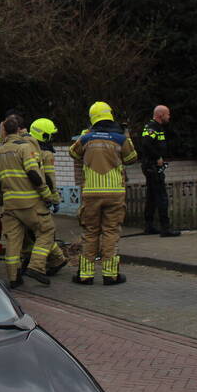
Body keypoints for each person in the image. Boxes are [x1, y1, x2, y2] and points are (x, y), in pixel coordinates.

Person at [69, 102, 139, 285]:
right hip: (115, 192)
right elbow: (132, 158)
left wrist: (86, 135)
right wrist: (126, 136)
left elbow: (73, 153)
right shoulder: (120, 138)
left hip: (91, 193)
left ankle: (85, 275)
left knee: (90, 232)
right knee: (111, 232)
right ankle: (110, 275)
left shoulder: (86, 138)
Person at [0, 116, 56, 288]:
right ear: (19, 130)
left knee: (13, 241)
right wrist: (47, 195)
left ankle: (14, 278)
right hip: (30, 203)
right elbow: (33, 173)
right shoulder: (25, 147)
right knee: (46, 231)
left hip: (9, 204)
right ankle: (36, 266)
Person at [27, 118, 69, 276]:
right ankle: (56, 259)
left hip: (30, 197)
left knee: (37, 232)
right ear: (43, 135)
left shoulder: (27, 148)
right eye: (50, 135)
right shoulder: (46, 153)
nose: (52, 139)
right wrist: (55, 198)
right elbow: (50, 178)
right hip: (42, 197)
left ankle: (55, 259)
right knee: (44, 231)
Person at [140, 106, 181, 237]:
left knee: (152, 197)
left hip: (151, 166)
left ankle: (149, 226)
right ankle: (165, 228)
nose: (169, 117)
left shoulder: (157, 127)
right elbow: (146, 144)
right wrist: (157, 157)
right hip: (152, 167)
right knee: (162, 197)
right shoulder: (152, 127)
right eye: (167, 114)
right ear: (160, 115)